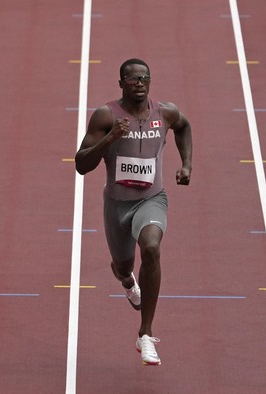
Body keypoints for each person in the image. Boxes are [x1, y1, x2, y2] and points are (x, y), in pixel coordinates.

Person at [75, 58, 192, 365]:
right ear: (121, 83)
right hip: (117, 206)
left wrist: (186, 164)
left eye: (145, 79)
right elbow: (81, 164)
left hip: (151, 200)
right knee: (122, 266)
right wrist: (110, 139)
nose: (139, 83)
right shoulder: (106, 115)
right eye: (133, 79)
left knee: (151, 248)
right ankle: (127, 281)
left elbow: (183, 127)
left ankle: (145, 335)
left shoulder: (165, 112)